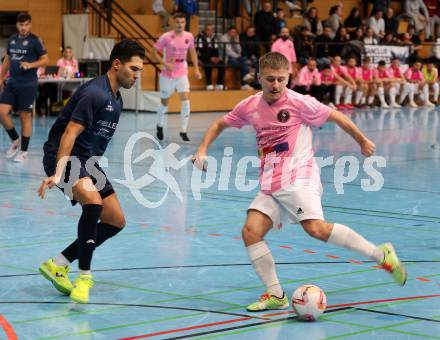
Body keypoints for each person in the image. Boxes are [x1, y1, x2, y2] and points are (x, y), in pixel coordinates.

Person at [193, 52, 407, 312]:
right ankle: (276, 295)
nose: (276, 85)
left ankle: (381, 255)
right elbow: (219, 123)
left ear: (288, 78)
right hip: (271, 180)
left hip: (299, 175)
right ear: (259, 78)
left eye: (281, 79)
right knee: (251, 231)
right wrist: (202, 150)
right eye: (270, 79)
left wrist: (362, 141)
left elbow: (336, 115)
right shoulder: (249, 106)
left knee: (315, 229)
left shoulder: (300, 102)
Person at [37, 39, 144, 304]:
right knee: (93, 205)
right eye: (133, 68)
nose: (137, 75)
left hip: (87, 161)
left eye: (140, 70)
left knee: (116, 220)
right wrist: (59, 171)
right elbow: (70, 133)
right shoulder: (94, 92)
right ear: (116, 64)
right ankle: (84, 277)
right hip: (63, 155)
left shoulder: (116, 98)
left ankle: (58, 263)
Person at [0, 12, 48, 162]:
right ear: (17, 25)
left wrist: (31, 65)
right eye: (21, 25)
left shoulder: (35, 41)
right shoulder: (12, 39)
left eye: (26, 25)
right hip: (12, 83)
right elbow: (7, 59)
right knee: (2, 112)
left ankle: (24, 151)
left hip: (28, 84)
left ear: (30, 24)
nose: (24, 28)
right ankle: (15, 140)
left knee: (24, 116)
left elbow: (45, 60)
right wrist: (1, 78)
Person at [151, 12, 202, 142]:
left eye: (182, 22)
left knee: (185, 100)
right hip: (167, 74)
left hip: (182, 72)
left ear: (185, 23)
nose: (180, 24)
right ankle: (159, 125)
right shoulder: (166, 37)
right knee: (164, 102)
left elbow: (192, 52)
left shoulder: (189, 36)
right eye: (177, 22)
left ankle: (183, 131)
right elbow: (153, 52)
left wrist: (196, 68)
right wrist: (165, 64)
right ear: (173, 23)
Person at [196, 24, 225, 91]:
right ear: (204, 30)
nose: (209, 31)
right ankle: (209, 84)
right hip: (203, 58)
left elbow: (216, 49)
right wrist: (209, 58)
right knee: (208, 64)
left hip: (213, 58)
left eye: (211, 30)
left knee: (222, 63)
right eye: (208, 30)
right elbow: (199, 51)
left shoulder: (214, 38)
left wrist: (217, 58)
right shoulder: (200, 37)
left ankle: (219, 84)